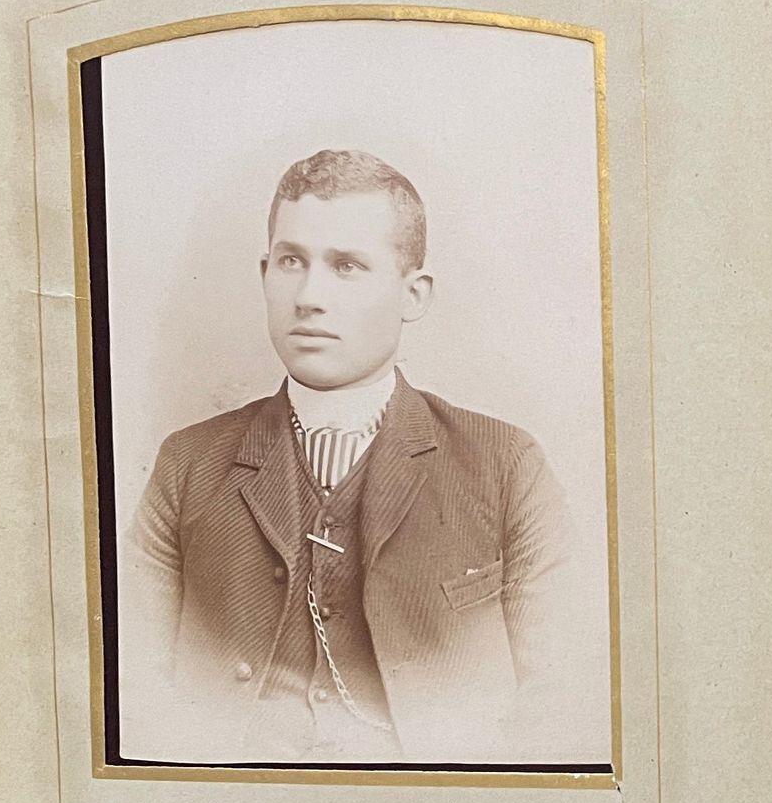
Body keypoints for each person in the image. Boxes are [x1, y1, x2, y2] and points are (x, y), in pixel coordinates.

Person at [121, 148, 585, 767]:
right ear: (265, 274)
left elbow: (561, 703)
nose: (308, 296)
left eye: (347, 266)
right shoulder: (188, 465)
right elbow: (132, 694)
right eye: (291, 261)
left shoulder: (505, 466)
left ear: (413, 295)